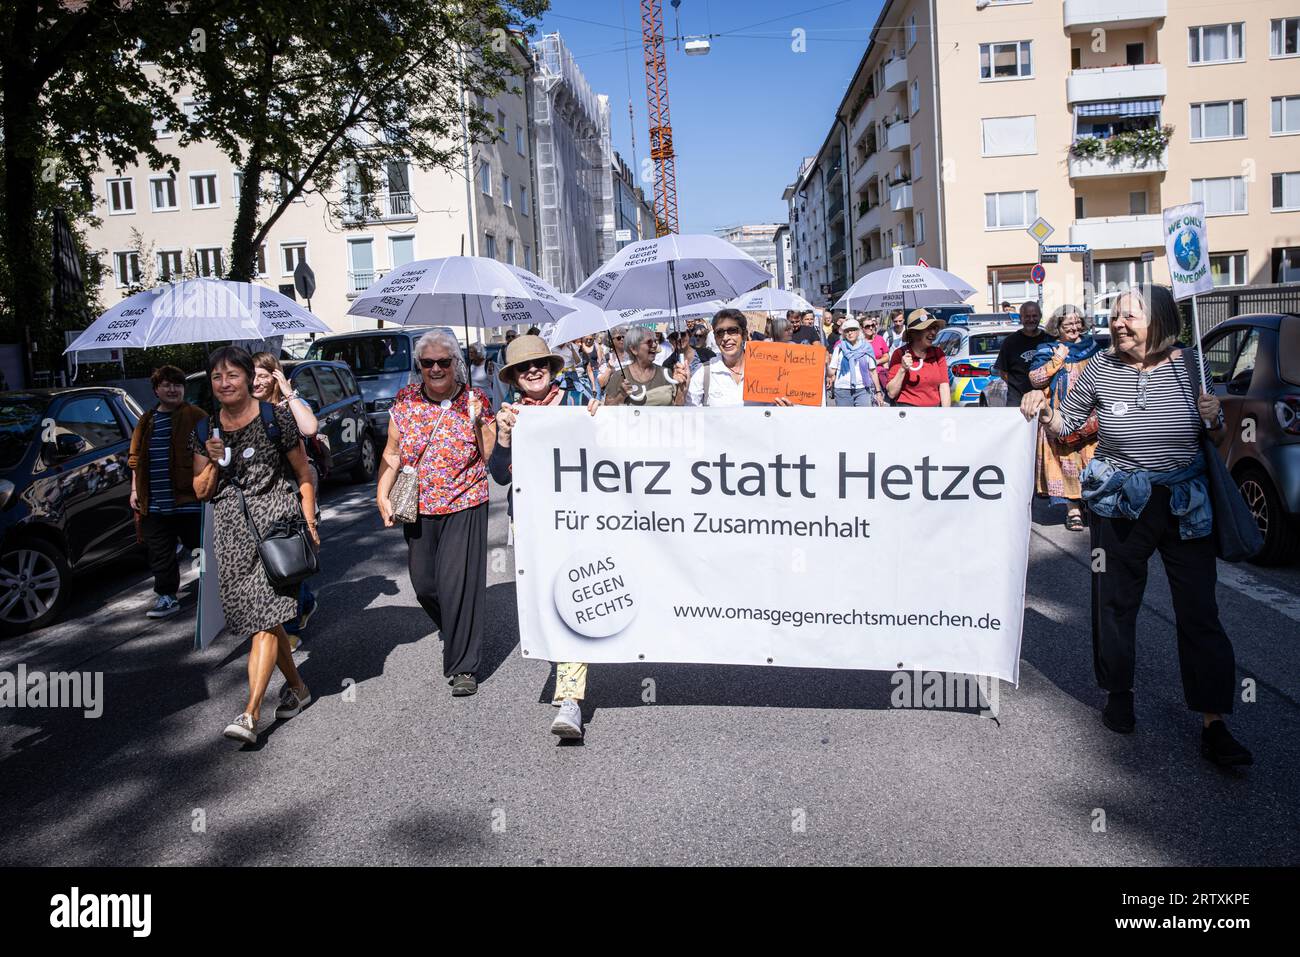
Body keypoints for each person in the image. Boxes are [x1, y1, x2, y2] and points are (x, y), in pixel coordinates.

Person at [1020, 286, 1251, 766]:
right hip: (1119, 503)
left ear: (1162, 320)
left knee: (1199, 612)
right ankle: (1118, 695)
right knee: (1115, 605)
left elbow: (1219, 439)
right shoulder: (1099, 368)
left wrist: (1216, 421)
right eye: (1115, 315)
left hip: (1187, 506)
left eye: (1131, 316)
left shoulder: (1192, 366)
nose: (1118, 323)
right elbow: (1066, 428)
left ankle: (1214, 722)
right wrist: (1041, 407)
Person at [191, 347, 317, 745]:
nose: (224, 383)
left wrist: (310, 520)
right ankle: (297, 688)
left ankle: (250, 713)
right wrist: (212, 460)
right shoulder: (204, 431)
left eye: (232, 375)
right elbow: (200, 492)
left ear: (249, 377)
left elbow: (303, 471)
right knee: (264, 619)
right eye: (216, 377)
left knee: (264, 620)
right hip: (231, 539)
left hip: (275, 532)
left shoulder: (275, 418)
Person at [486, 335, 599, 738]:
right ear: (514, 378)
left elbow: (608, 449)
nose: (532, 371)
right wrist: (501, 436)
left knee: (572, 596)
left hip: (580, 517)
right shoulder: (510, 415)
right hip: (532, 523)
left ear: (551, 368)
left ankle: (570, 699)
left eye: (539, 365)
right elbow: (499, 474)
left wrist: (600, 416)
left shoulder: (577, 400)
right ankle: (570, 670)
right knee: (549, 601)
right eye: (523, 368)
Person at [376, 330, 496, 697]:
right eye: (428, 363)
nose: (436, 368)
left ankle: (463, 666)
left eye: (444, 361)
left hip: (465, 500)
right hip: (417, 504)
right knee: (425, 583)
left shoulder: (475, 399)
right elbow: (392, 452)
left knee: (457, 583)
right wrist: (382, 494)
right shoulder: (406, 400)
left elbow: (490, 455)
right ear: (419, 367)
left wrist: (478, 424)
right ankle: (456, 627)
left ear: (456, 364)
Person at [128, 365, 207, 620]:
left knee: (200, 548)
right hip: (154, 502)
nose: (173, 389)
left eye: (178, 385)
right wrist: (134, 489)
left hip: (189, 500)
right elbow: (135, 458)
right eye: (167, 385)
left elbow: (210, 452)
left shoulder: (196, 415)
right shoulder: (146, 420)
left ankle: (215, 587)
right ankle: (167, 596)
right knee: (160, 553)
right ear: (156, 390)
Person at [252, 352, 321, 641]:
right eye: (251, 375)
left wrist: (289, 392)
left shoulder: (288, 404)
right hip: (262, 495)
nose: (256, 381)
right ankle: (302, 604)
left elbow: (309, 428)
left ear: (275, 376)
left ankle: (289, 627)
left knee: (292, 554)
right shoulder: (247, 410)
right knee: (277, 556)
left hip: (295, 489)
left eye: (262, 375)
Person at [1027, 304, 1103, 531]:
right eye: (1067, 323)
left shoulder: (1094, 349)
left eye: (1077, 322)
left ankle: (1092, 504)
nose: (1073, 327)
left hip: (1092, 419)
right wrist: (1056, 361)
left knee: (1091, 462)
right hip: (1059, 418)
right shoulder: (1047, 350)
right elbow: (1035, 380)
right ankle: (1073, 510)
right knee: (1066, 463)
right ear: (1057, 327)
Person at [605, 326, 688, 406]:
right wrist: (622, 395)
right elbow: (606, 411)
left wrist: (682, 388)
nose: (655, 345)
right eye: (649, 342)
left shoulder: (666, 373)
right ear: (634, 349)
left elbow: (677, 407)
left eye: (655, 341)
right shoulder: (619, 376)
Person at [993, 300, 1053, 410]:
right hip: (1017, 401)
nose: (1031, 319)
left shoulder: (1049, 339)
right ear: (1021, 318)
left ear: (1040, 317)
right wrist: (1019, 385)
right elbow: (1003, 373)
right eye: (1027, 316)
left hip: (1045, 400)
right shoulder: (1010, 342)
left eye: (1034, 316)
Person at [884, 309, 951, 407]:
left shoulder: (938, 353)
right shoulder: (900, 354)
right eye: (928, 328)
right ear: (914, 333)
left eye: (934, 328)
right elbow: (891, 393)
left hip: (933, 413)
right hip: (908, 414)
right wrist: (902, 369)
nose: (933, 332)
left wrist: (946, 416)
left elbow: (944, 386)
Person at [825, 318, 881, 407]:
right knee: (846, 420)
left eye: (853, 330)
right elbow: (831, 372)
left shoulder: (867, 348)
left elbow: (873, 371)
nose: (850, 333)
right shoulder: (839, 348)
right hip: (842, 390)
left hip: (863, 389)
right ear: (844, 333)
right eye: (847, 331)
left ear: (858, 331)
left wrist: (878, 392)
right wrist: (826, 364)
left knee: (863, 419)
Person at [466, 344, 502, 412]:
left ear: (479, 352)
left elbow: (493, 380)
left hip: (487, 398)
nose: (469, 354)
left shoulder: (488, 364)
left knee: (488, 420)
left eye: (472, 352)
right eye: (469, 352)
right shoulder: (469, 364)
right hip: (473, 398)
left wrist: (490, 372)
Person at [596, 326, 631, 393]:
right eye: (618, 338)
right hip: (615, 395)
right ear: (610, 340)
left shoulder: (632, 354)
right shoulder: (607, 357)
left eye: (623, 337)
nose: (622, 339)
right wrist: (609, 369)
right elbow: (601, 383)